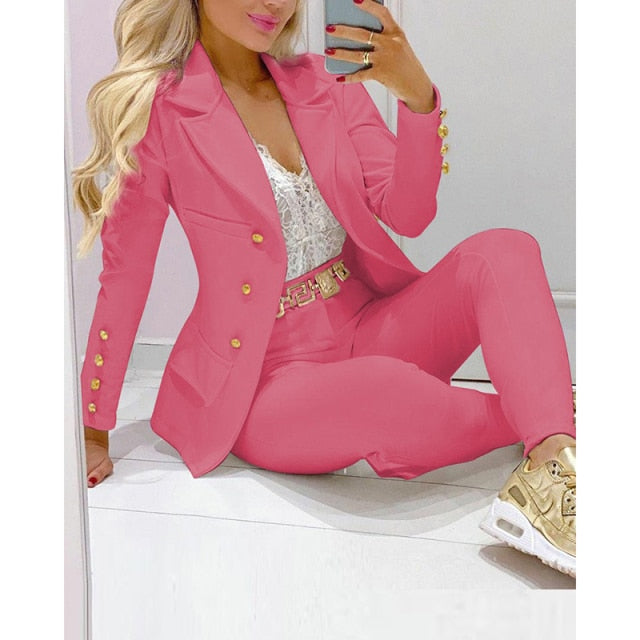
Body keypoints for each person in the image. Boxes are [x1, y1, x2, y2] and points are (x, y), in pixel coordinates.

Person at [72, 0, 576, 578]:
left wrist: (417, 98)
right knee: (385, 391)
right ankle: (551, 415)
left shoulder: (323, 83)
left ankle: (553, 460)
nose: (276, 3)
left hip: (369, 326)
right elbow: (126, 276)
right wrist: (92, 426)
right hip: (262, 384)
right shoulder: (162, 113)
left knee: (504, 249)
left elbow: (408, 214)